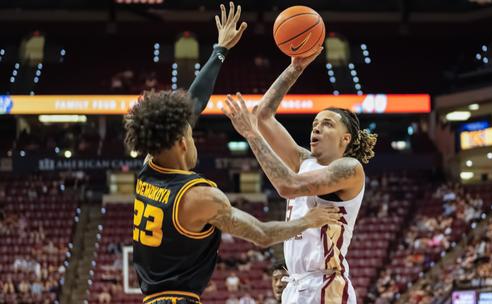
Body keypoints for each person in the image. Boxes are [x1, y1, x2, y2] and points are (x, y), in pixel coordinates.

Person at [123, 4, 341, 304]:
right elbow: (262, 234)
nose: (192, 129)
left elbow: (194, 102)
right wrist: (309, 220)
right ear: (182, 142)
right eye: (190, 131)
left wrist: (221, 49)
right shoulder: (199, 197)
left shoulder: (150, 165)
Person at [223, 49, 377, 303]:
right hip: (297, 284)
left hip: (326, 285)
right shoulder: (304, 161)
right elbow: (262, 116)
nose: (317, 127)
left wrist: (252, 136)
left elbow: (287, 186)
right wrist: (294, 69)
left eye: (327, 123)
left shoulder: (349, 168)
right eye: (315, 123)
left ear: (345, 139)